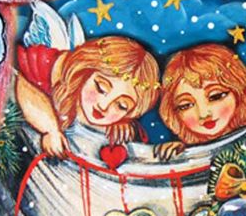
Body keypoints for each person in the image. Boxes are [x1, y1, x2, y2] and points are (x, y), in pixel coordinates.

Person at [15, 36, 160, 157]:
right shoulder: (47, 67)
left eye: (121, 106)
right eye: (101, 88)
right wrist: (50, 129)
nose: (103, 106)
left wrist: (124, 123)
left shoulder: (123, 124)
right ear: (85, 71)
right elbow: (16, 77)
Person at [155, 43, 246, 160]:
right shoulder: (190, 150)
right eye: (186, 105)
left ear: (238, 92)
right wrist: (180, 154)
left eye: (215, 96)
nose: (204, 114)